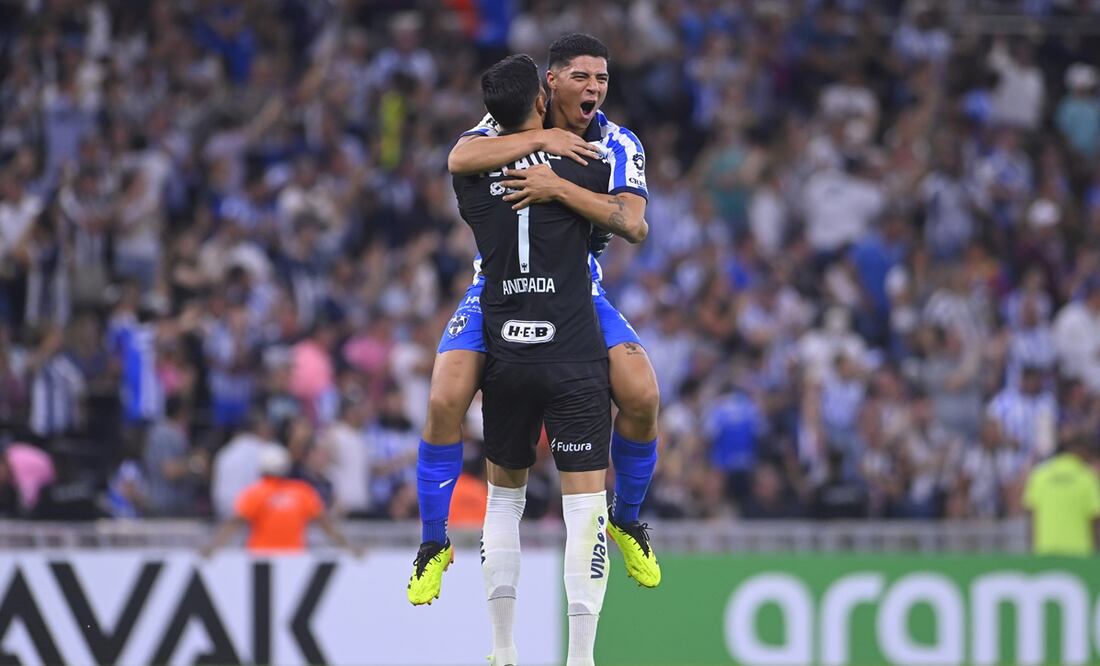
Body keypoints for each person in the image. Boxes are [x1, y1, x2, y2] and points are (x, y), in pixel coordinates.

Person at [409, 54, 644, 666]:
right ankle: (433, 543)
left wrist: (554, 181)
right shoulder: (507, 128)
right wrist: (540, 141)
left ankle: (631, 519)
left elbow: (635, 225)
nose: (592, 90)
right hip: (497, 290)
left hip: (576, 292)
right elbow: (460, 156)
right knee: (442, 398)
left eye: (601, 80)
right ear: (550, 87)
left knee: (642, 394)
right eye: (581, 79)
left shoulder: (613, 144)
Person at [201, 444, 356, 556]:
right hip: (294, 558)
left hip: (260, 559)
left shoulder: (254, 493)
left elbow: (234, 524)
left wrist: (213, 548)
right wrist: (348, 548)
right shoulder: (302, 492)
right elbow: (326, 525)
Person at [1022, 435, 1100, 556]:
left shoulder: (1040, 475)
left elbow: (1031, 513)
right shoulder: (1087, 478)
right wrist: (1095, 551)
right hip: (1079, 552)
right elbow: (1094, 518)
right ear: (1079, 450)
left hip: (1045, 550)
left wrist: (1032, 546)